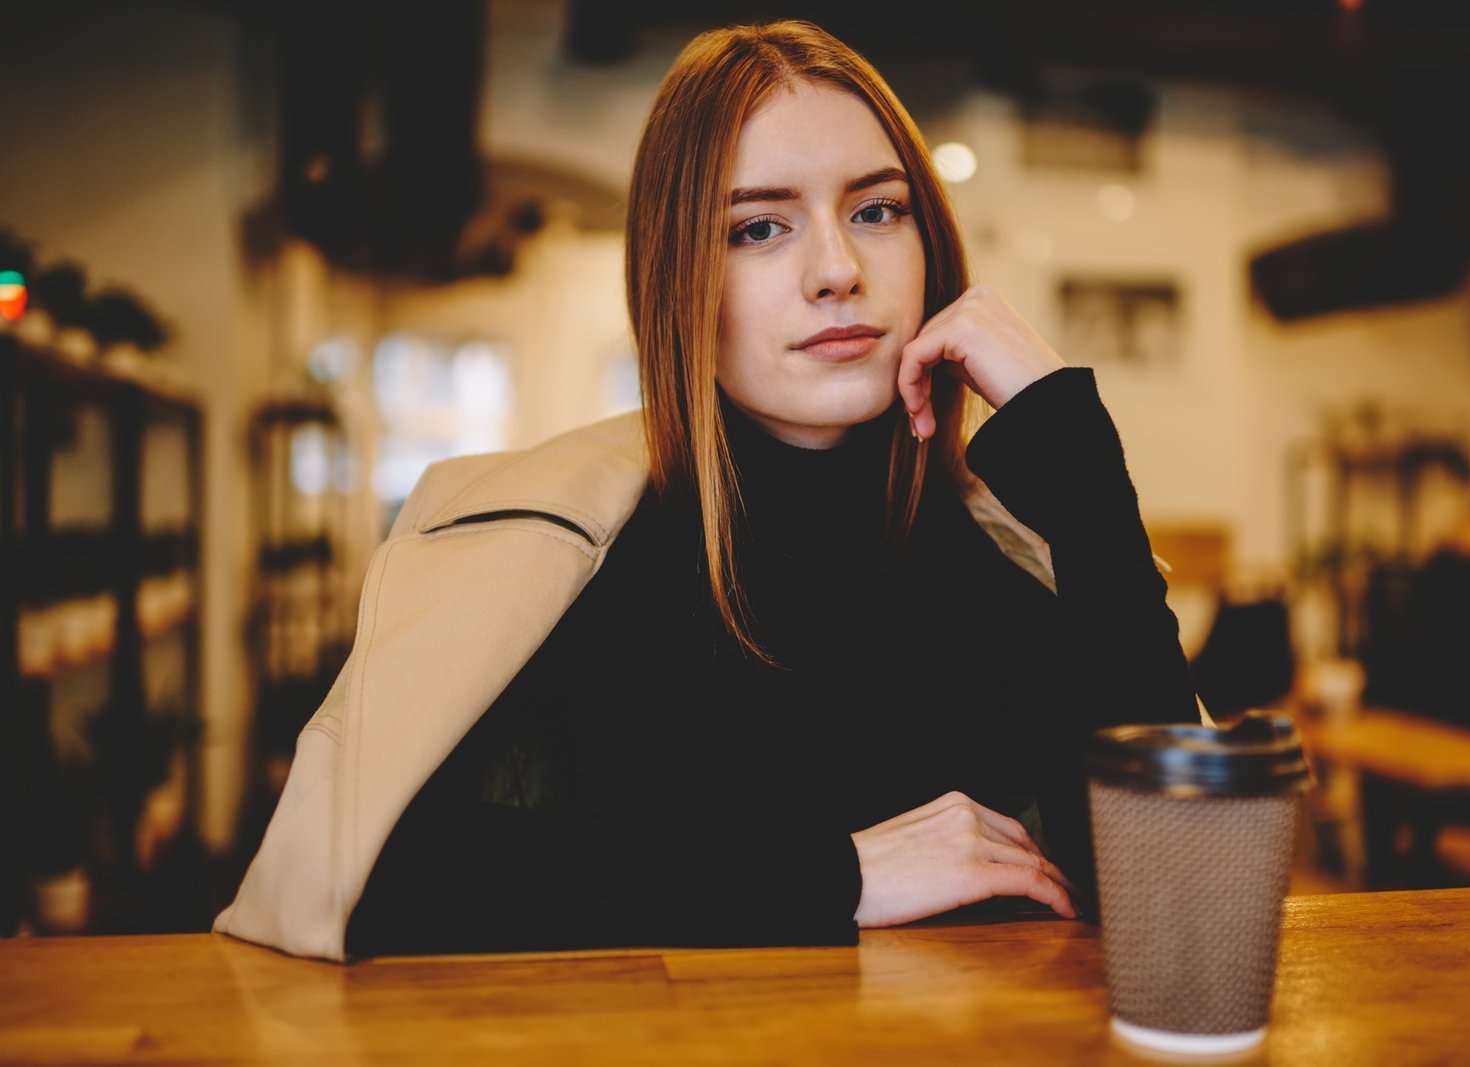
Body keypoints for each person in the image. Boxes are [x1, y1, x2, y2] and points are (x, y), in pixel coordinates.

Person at [214, 20, 1201, 962]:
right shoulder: (577, 549)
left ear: (929, 245)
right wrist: (836, 874)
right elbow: (388, 881)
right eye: (759, 228)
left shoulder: (987, 556)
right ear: (677, 275)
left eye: (876, 210)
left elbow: (1179, 894)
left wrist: (1073, 453)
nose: (837, 269)